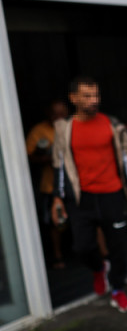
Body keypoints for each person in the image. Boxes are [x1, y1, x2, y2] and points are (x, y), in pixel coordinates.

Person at [51, 76, 127, 313]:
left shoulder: (113, 125)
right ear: (73, 98)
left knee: (118, 247)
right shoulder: (64, 129)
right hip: (81, 198)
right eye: (87, 96)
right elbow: (59, 164)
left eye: (96, 96)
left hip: (112, 195)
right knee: (82, 247)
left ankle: (118, 290)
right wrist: (57, 197)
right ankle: (98, 268)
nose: (94, 101)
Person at [26, 99, 69, 269]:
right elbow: (28, 157)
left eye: (62, 114)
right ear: (48, 114)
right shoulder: (39, 131)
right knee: (55, 221)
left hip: (75, 182)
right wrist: (46, 158)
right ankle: (58, 255)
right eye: (55, 114)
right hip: (51, 184)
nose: (59, 117)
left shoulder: (73, 126)